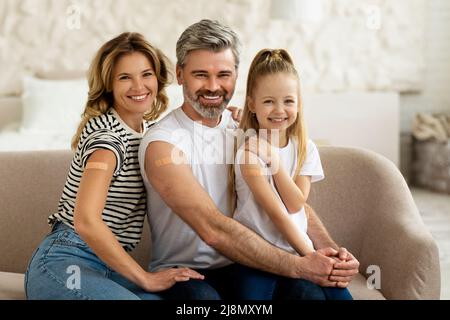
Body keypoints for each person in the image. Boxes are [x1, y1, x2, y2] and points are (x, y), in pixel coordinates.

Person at [139, 19, 359, 300]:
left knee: (311, 296)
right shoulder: (163, 143)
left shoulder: (246, 132)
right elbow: (213, 231)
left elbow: (289, 203)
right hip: (187, 273)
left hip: (249, 263)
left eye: (224, 75)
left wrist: (330, 252)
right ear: (180, 74)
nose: (213, 86)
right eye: (200, 75)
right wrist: (300, 265)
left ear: (237, 75)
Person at [24, 32, 204, 300]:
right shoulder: (107, 142)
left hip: (108, 266)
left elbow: (194, 137)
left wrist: (232, 119)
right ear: (108, 84)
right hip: (67, 261)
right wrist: (145, 278)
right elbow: (85, 221)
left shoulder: (148, 133)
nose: (138, 86)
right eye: (124, 78)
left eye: (146, 74)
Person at [230, 48, 352, 300]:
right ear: (252, 104)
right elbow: (278, 214)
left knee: (339, 295)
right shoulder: (248, 153)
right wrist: (312, 258)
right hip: (256, 257)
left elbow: (296, 203)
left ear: (298, 103)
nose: (279, 110)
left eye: (288, 101)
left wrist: (274, 162)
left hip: (296, 250)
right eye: (268, 101)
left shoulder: (305, 149)